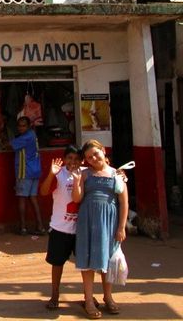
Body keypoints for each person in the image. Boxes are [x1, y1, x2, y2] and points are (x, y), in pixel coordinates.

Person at [72, 139, 129, 319]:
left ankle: (108, 297)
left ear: (103, 151)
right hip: (87, 221)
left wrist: (121, 227)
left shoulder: (117, 175)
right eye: (89, 157)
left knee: (107, 261)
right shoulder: (85, 174)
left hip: (109, 223)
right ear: (86, 160)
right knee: (87, 262)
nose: (93, 158)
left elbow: (124, 202)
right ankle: (88, 300)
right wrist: (76, 181)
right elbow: (76, 199)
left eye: (96, 153)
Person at [39, 145, 82, 310]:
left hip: (80, 229)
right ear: (64, 159)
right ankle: (55, 294)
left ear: (81, 161)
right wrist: (51, 173)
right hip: (60, 228)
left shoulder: (84, 173)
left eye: (77, 159)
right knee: (57, 264)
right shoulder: (59, 174)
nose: (73, 162)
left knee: (86, 264)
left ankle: (88, 294)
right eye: (70, 158)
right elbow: (43, 192)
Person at [8, 116, 45, 235]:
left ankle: (23, 227)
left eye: (23, 125)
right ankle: (40, 226)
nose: (20, 128)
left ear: (28, 126)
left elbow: (10, 146)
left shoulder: (25, 138)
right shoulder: (33, 135)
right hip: (35, 170)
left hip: (25, 171)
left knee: (22, 198)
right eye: (19, 125)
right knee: (33, 198)